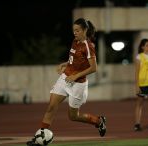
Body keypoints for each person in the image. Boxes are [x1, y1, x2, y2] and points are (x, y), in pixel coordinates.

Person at [26, 18, 106, 146]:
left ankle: (98, 121)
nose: (75, 33)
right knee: (51, 106)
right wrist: (64, 64)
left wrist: (76, 76)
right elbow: (74, 60)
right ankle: (39, 138)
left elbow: (94, 68)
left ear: (85, 30)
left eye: (78, 30)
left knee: (73, 116)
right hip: (65, 78)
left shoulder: (88, 46)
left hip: (78, 84)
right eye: (74, 30)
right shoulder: (75, 41)